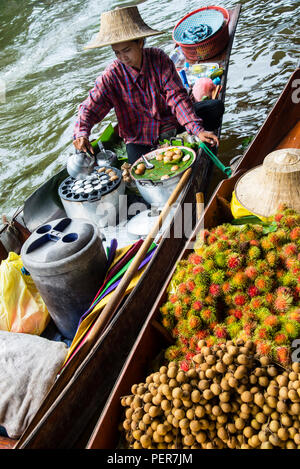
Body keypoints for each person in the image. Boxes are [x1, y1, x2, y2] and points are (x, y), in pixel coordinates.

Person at [73, 6, 223, 164]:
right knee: (138, 165)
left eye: (126, 50)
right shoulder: (112, 76)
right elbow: (89, 107)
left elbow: (177, 98)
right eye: (117, 52)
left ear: (140, 43)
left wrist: (197, 130)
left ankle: (206, 150)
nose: (123, 57)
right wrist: (82, 134)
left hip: (171, 123)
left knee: (215, 108)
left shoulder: (159, 59)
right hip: (140, 137)